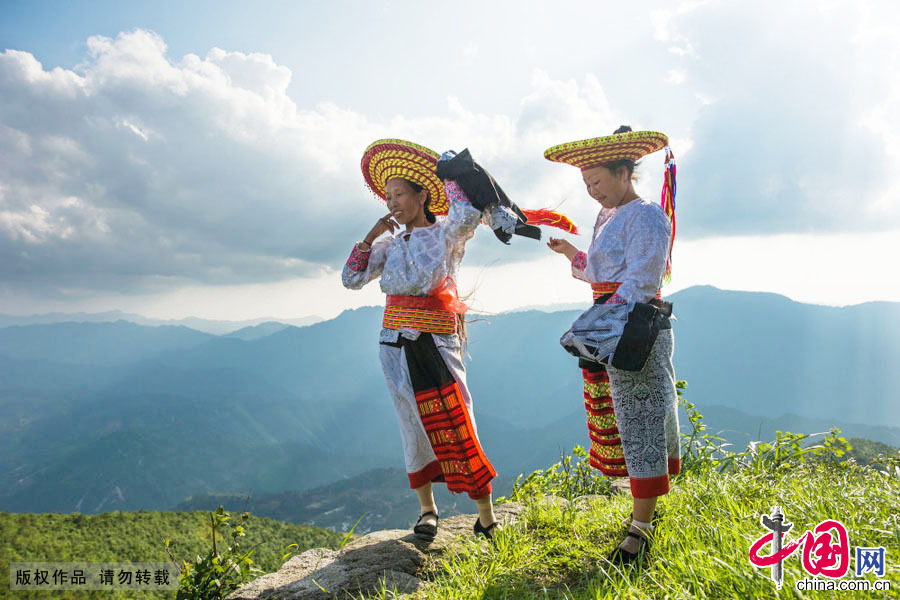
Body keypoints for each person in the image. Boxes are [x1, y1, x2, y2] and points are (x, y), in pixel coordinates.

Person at [342, 138, 500, 540]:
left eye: (399, 194)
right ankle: (427, 510)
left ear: (421, 194)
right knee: (411, 423)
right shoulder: (390, 245)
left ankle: (486, 515)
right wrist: (371, 233)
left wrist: (449, 177)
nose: (392, 202)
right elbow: (352, 279)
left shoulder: (447, 234)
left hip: (435, 340)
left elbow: (467, 214)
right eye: (388, 196)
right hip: (394, 343)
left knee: (457, 418)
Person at [545, 126, 680, 562]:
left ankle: (640, 529)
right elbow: (601, 271)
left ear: (625, 173)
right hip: (612, 324)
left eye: (597, 182)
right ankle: (645, 513)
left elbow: (643, 279)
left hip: (632, 326)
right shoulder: (608, 218)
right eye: (586, 186)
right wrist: (570, 253)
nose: (592, 193)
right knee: (625, 418)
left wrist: (600, 322)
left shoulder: (647, 215)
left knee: (640, 421)